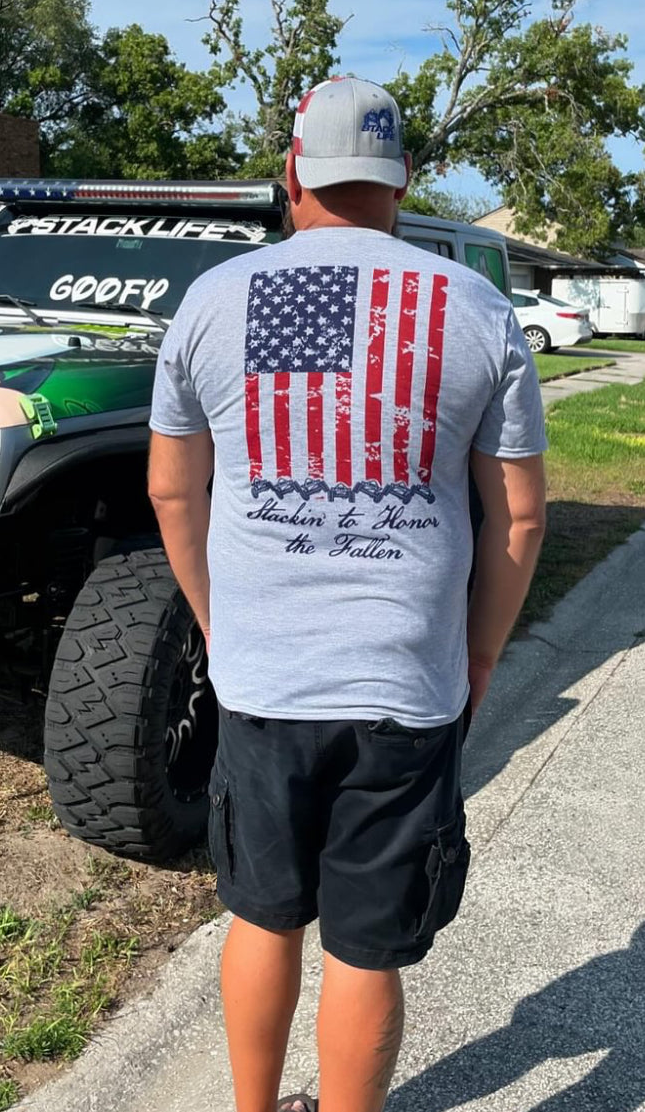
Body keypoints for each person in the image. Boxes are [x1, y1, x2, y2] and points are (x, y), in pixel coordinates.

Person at [147, 76, 547, 1112]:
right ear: (401, 179)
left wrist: (213, 619)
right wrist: (477, 653)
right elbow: (516, 519)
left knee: (262, 915)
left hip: (262, 676)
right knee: (367, 945)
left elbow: (170, 488)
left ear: (291, 173)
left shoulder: (210, 300)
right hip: (403, 683)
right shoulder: (476, 307)